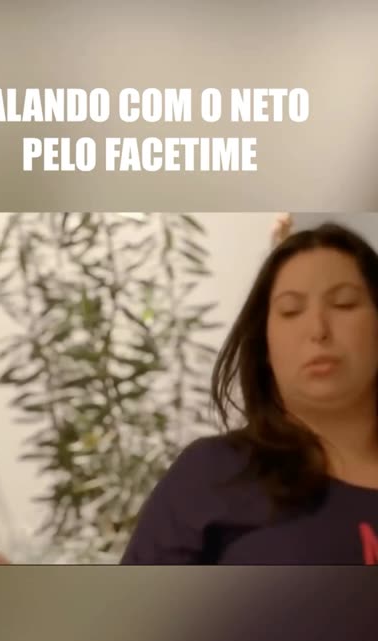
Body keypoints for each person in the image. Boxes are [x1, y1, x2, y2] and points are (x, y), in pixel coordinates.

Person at [121, 221, 378, 564]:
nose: (318, 329)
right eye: (290, 311)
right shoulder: (212, 475)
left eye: (344, 304)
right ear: (265, 347)